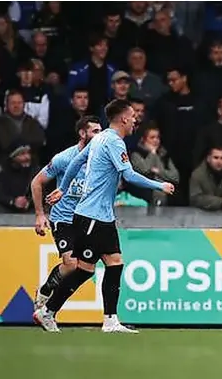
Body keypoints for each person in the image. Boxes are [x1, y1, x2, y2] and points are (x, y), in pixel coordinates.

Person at [35, 99, 175, 333]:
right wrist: (158, 185)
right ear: (123, 118)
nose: (135, 120)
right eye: (132, 116)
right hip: (92, 216)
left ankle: (109, 320)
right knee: (85, 269)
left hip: (101, 216)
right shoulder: (113, 142)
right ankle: (48, 311)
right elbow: (128, 175)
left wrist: (63, 187)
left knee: (114, 263)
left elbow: (78, 161)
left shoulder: (100, 138)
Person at [30, 116, 102, 310]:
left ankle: (50, 309)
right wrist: (40, 214)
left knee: (86, 268)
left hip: (87, 220)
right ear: (82, 133)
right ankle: (45, 293)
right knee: (70, 263)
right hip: (63, 219)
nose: (99, 135)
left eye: (100, 131)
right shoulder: (64, 158)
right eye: (95, 131)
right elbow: (37, 182)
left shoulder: (100, 159)